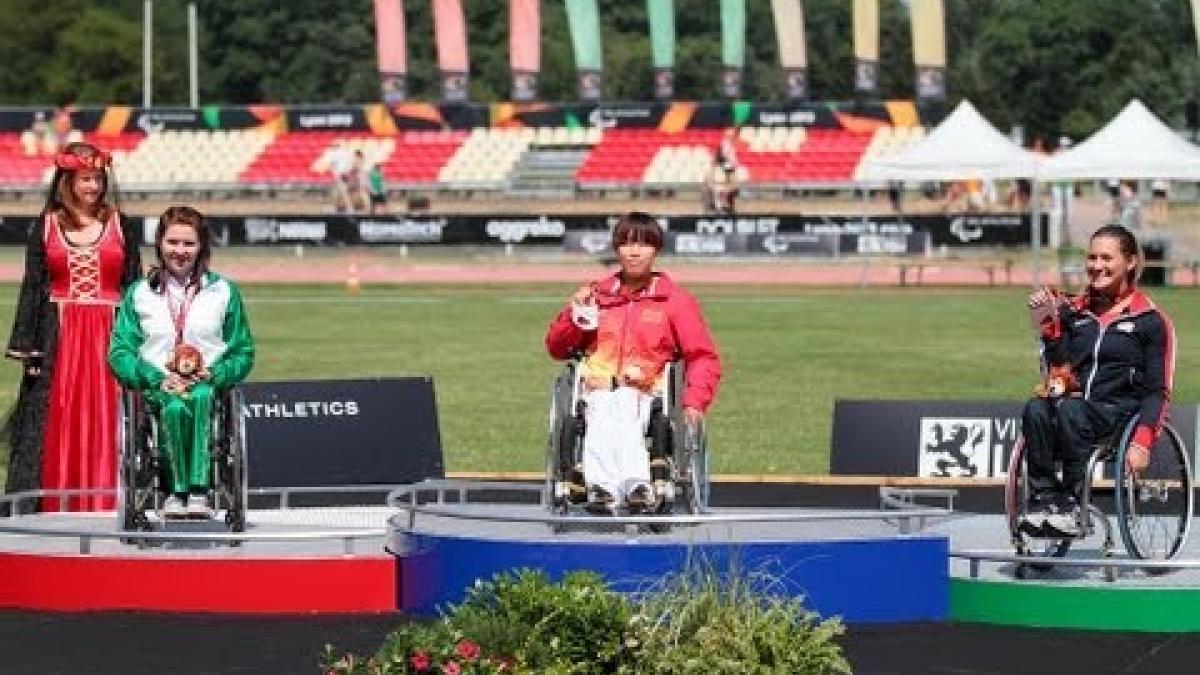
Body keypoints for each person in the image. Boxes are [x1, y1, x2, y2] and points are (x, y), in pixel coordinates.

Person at [545, 212, 721, 513]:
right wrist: (575, 317)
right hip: (597, 386)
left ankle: (624, 484)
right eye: (626, 244)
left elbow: (702, 356)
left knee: (624, 401)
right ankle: (612, 487)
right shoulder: (596, 295)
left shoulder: (675, 301)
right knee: (602, 406)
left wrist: (694, 402)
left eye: (643, 245)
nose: (634, 252)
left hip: (647, 390)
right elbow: (558, 348)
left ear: (656, 250)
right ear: (616, 249)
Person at [4, 142, 142, 512]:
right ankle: (51, 502)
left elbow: (134, 286)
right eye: (85, 179)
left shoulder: (120, 224)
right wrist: (28, 346)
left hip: (110, 335)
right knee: (55, 420)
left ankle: (110, 500)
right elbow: (34, 284)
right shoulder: (47, 223)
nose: (93, 186)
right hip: (59, 336)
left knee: (109, 418)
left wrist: (142, 341)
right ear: (67, 180)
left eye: (98, 178)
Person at [1021, 224, 1175, 536]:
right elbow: (1059, 369)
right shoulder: (1073, 312)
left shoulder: (1151, 322)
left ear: (1130, 262)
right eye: (1092, 258)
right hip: (1075, 410)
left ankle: (1073, 504)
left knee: (1069, 410)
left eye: (1107, 258)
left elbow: (1158, 390)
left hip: (1118, 416)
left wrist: (1143, 442)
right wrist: (1049, 327)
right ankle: (1044, 499)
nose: (1096, 266)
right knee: (1037, 408)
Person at [109, 207, 255, 519]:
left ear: (202, 246)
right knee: (173, 406)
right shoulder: (140, 293)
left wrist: (214, 374)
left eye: (188, 244)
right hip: (158, 388)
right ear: (159, 243)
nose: (180, 251)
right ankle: (174, 491)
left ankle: (199, 493)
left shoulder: (223, 291)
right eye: (172, 242)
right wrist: (152, 377)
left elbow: (243, 351)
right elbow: (120, 352)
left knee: (200, 397)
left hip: (207, 386)